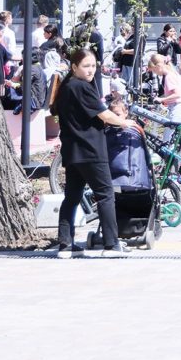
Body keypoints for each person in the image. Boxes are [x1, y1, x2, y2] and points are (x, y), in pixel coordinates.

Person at [52, 47, 145, 257]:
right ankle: (111, 245)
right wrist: (125, 122)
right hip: (91, 149)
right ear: (74, 67)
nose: (91, 70)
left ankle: (65, 245)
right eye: (86, 66)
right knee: (105, 195)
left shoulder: (67, 87)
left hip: (72, 151)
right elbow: (104, 115)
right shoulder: (82, 87)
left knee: (72, 197)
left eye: (93, 66)